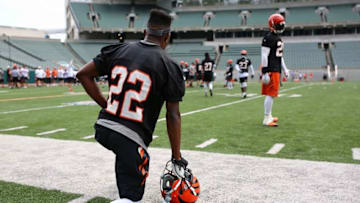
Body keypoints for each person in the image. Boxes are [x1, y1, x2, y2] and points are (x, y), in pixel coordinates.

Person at [76, 9, 187, 203]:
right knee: (131, 198)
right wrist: (176, 157)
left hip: (103, 127)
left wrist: (106, 104)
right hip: (131, 136)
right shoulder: (169, 65)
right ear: (167, 38)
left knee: (125, 153)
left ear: (145, 32)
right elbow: (173, 115)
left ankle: (125, 176)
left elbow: (83, 74)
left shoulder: (118, 49)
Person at [261, 13, 289, 127]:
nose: (281, 27)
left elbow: (279, 56)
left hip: (276, 69)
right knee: (270, 94)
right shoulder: (268, 38)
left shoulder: (278, 38)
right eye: (279, 24)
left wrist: (285, 69)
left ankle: (269, 116)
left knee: (272, 94)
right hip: (271, 69)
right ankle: (266, 118)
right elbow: (264, 55)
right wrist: (265, 71)